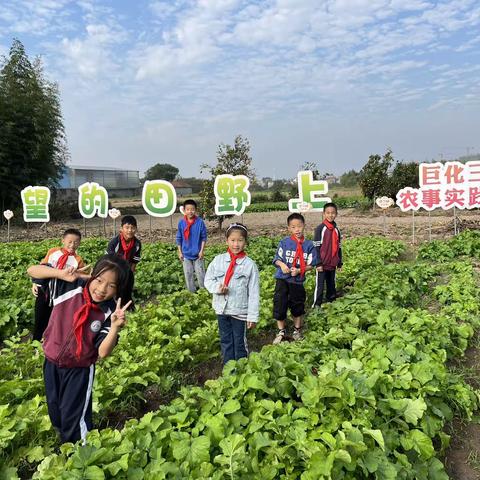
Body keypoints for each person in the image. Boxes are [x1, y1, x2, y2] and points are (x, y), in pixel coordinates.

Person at [26, 254, 133, 444]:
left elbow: (103, 352)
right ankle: (65, 442)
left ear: (118, 289)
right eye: (99, 280)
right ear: (91, 276)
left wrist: (115, 327)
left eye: (111, 286)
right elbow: (32, 270)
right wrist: (63, 274)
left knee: (74, 418)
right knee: (55, 410)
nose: (101, 289)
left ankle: (79, 455)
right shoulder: (67, 287)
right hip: (51, 362)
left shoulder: (108, 312)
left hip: (79, 370)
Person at [204, 223, 259, 365]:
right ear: (227, 241)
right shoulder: (218, 261)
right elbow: (208, 279)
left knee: (239, 341)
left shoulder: (249, 265)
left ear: (245, 242)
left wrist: (252, 316)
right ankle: (229, 368)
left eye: (240, 240)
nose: (236, 244)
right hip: (222, 309)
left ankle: (241, 369)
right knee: (226, 340)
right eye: (233, 240)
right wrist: (217, 287)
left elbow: (254, 292)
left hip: (240, 311)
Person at [32, 228, 86, 341]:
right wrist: (35, 283)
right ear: (63, 241)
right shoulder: (53, 252)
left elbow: (82, 278)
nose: (72, 245)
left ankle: (49, 342)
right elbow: (41, 268)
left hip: (61, 296)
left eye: (76, 242)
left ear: (79, 243)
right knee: (40, 318)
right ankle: (35, 342)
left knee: (55, 320)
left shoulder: (78, 260)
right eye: (70, 241)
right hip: (45, 292)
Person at [272, 213, 317, 344]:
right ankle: (281, 331)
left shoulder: (309, 245)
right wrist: (283, 265)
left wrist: (299, 270)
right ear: (289, 228)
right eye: (293, 227)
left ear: (304, 226)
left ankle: (297, 330)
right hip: (282, 279)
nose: (297, 229)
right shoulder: (284, 243)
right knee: (280, 304)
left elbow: (311, 265)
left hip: (297, 281)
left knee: (298, 305)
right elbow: (276, 259)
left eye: (299, 226)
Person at [312, 202, 342, 308]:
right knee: (320, 285)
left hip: (332, 262)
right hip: (322, 263)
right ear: (324, 214)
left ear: (336, 214)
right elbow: (316, 247)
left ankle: (331, 303)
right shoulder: (320, 228)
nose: (330, 215)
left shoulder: (336, 230)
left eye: (333, 213)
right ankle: (317, 305)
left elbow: (339, 247)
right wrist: (318, 262)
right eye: (328, 213)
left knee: (331, 284)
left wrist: (339, 263)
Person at [176, 199, 208, 292]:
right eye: (188, 209)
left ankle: (203, 292)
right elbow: (179, 238)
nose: (190, 211)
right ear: (185, 211)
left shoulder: (200, 222)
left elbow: (204, 237)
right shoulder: (181, 223)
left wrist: (202, 251)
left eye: (192, 209)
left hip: (198, 254)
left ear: (195, 210)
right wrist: (180, 252)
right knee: (188, 274)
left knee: (200, 273)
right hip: (186, 254)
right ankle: (192, 293)